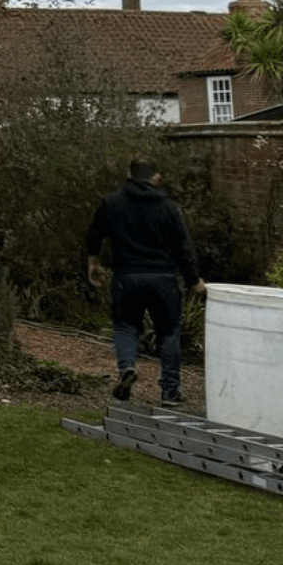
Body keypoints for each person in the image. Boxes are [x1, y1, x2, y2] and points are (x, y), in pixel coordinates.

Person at [85, 157, 205, 407]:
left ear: (129, 174)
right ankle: (170, 391)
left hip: (126, 277)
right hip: (163, 278)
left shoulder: (111, 202)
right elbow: (183, 247)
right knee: (169, 333)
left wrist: (93, 263)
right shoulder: (169, 207)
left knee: (126, 326)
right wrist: (194, 280)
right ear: (155, 177)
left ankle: (127, 367)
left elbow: (94, 234)